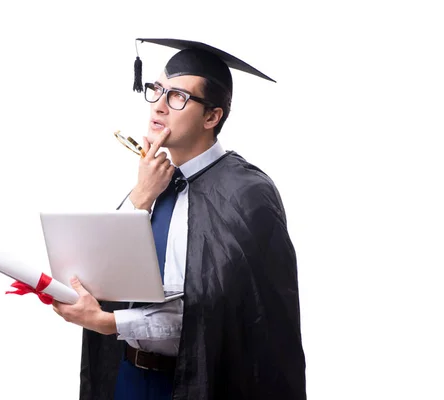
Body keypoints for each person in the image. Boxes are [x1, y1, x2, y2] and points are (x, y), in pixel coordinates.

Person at [52, 38, 306, 400]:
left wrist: (108, 324)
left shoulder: (247, 194)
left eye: (177, 97)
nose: (158, 105)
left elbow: (215, 314)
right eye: (157, 90)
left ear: (211, 116)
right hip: (126, 380)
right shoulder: (151, 181)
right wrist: (141, 197)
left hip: (193, 385)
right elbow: (103, 277)